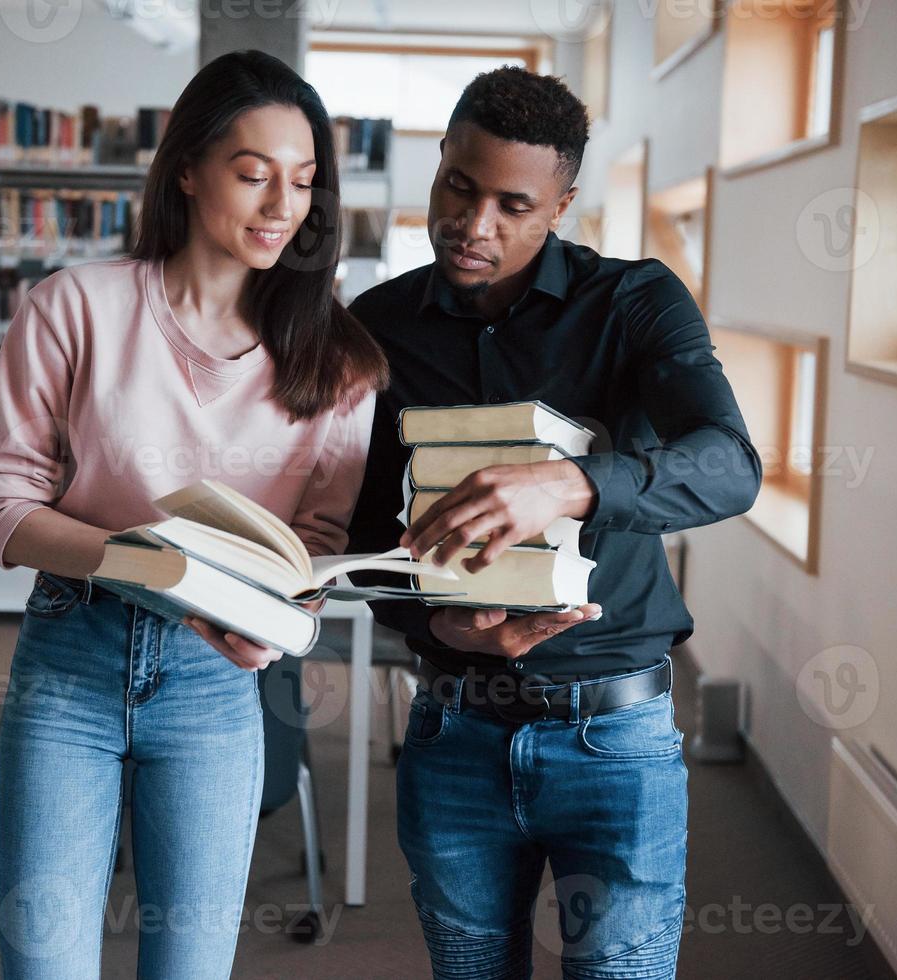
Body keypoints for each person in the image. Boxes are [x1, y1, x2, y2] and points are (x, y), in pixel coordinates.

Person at [0, 50, 386, 979]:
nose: (284, 206)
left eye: (305, 182)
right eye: (254, 174)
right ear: (187, 169)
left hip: (213, 681)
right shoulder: (74, 307)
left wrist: (284, 615)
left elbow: (314, 545)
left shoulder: (340, 363)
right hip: (69, 661)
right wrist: (143, 564)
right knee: (42, 964)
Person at [345, 67, 761, 979]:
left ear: (561, 205)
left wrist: (566, 484)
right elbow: (362, 539)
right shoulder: (373, 326)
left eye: (512, 203)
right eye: (459, 184)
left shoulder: (635, 301)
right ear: (441, 158)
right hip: (452, 728)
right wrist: (431, 620)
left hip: (613, 739)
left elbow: (731, 467)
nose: (473, 223)